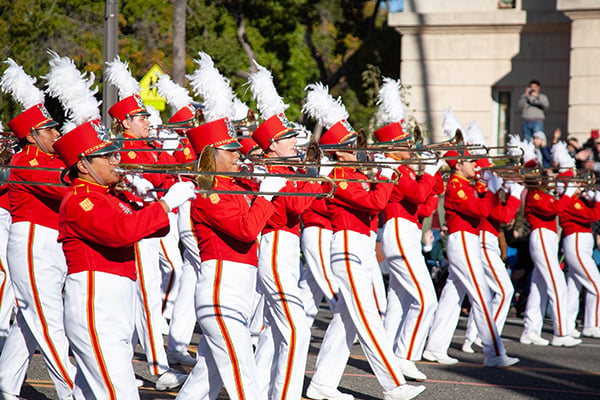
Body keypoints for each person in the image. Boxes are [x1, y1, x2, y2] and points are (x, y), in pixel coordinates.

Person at [53, 119, 194, 399]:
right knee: (122, 392)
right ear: (83, 164)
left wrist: (151, 201)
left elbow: (158, 229)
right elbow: (121, 232)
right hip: (97, 303)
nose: (116, 160)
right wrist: (165, 204)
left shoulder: (109, 196)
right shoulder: (82, 200)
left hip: (116, 304)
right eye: (107, 156)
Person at [303, 82, 425, 400]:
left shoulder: (356, 172)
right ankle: (393, 385)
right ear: (338, 152)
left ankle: (322, 383)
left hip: (359, 247)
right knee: (368, 317)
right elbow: (374, 204)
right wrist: (385, 176)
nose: (359, 149)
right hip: (345, 247)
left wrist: (380, 174)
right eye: (351, 145)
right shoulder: (337, 176)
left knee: (347, 319)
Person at [175, 117, 286, 400]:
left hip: (236, 295)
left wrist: (272, 179)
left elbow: (281, 214)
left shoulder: (236, 186)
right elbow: (247, 230)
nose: (239, 154)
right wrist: (266, 192)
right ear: (212, 155)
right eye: (231, 151)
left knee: (205, 380)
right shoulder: (209, 195)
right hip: (220, 296)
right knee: (244, 376)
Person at [0, 60, 77, 400]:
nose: (56, 134)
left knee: (31, 322)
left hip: (51, 243)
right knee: (49, 323)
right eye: (50, 129)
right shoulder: (26, 159)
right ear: (32, 134)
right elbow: (61, 189)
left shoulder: (53, 157)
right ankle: (75, 391)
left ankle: (5, 381)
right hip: (32, 242)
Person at [108, 91, 186, 390]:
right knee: (147, 298)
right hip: (139, 227)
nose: (147, 121)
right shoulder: (125, 149)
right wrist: (159, 179)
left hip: (153, 225)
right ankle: (158, 367)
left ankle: (125, 365)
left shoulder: (149, 145)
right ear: (125, 122)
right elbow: (154, 181)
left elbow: (171, 173)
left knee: (139, 301)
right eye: (141, 117)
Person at [423, 150, 520, 367]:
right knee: (481, 295)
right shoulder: (457, 187)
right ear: (458, 165)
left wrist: (489, 186)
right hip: (463, 241)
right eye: (471, 162)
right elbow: (482, 209)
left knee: (452, 295)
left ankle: (435, 347)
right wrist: (492, 190)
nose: (475, 165)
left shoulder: (465, 185)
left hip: (467, 240)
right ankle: (493, 353)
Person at [374, 119, 444, 381]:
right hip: (400, 233)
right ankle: (404, 356)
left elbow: (434, 190)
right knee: (426, 300)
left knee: (400, 304)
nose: (412, 145)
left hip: (407, 233)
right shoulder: (392, 167)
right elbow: (416, 195)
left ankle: (389, 357)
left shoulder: (402, 167)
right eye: (405, 142)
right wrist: (427, 170)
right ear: (393, 147)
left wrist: (431, 169)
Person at [560, 188, 600, 338]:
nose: (580, 185)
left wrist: (591, 200)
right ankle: (592, 324)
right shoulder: (571, 200)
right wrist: (598, 202)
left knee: (573, 287)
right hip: (577, 242)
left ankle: (568, 325)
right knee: (596, 285)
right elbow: (592, 215)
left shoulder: (576, 200)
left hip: (581, 243)